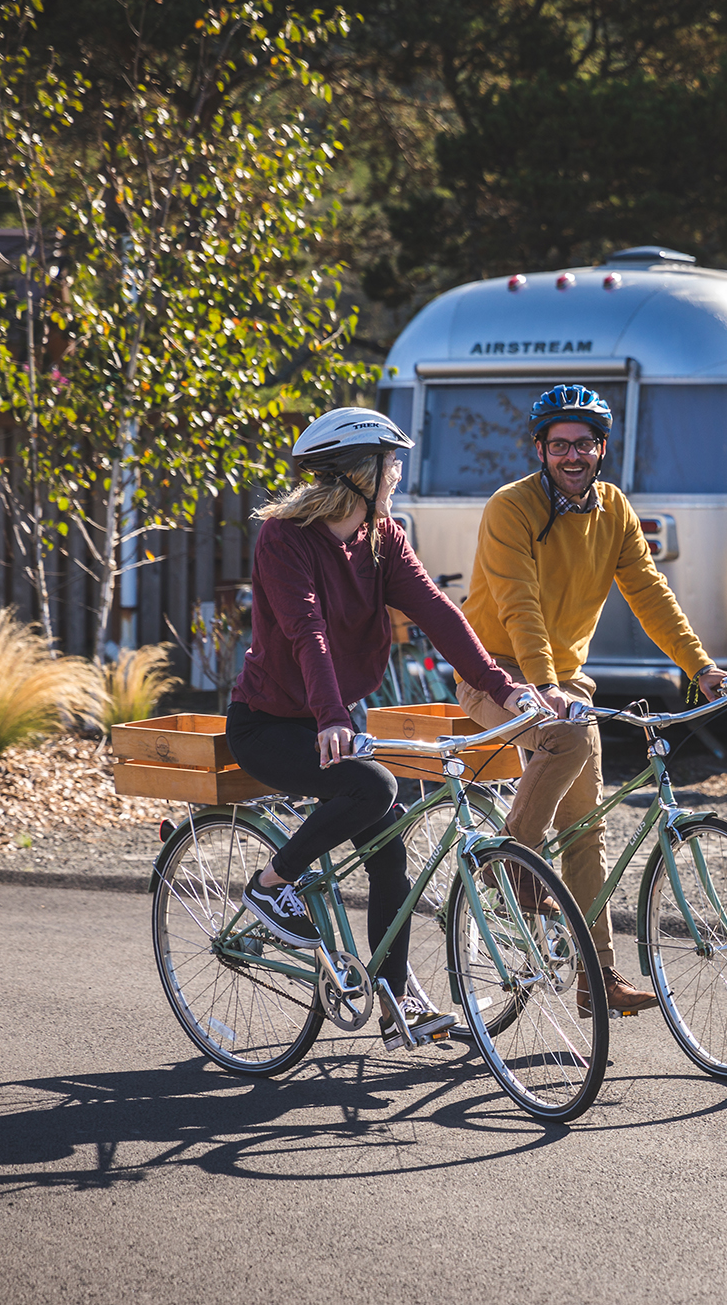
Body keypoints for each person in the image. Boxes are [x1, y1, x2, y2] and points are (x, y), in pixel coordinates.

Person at [228, 406, 536, 1049]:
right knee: (371, 788)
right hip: (270, 723)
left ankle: (395, 997)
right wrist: (332, 717)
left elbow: (438, 613)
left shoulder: (382, 536)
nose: (398, 472)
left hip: (334, 716)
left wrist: (502, 686)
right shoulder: (285, 540)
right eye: (390, 462)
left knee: (387, 843)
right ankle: (270, 885)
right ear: (360, 473)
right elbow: (304, 630)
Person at [457, 384, 727, 1017]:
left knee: (587, 830)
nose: (571, 454)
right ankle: (512, 868)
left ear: (600, 448)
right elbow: (517, 600)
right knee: (568, 738)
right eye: (559, 445)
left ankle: (596, 977)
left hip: (563, 681)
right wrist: (544, 685)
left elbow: (649, 592)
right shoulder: (512, 507)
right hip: (495, 674)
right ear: (540, 450)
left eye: (582, 443)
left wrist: (701, 666)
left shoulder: (614, 509)